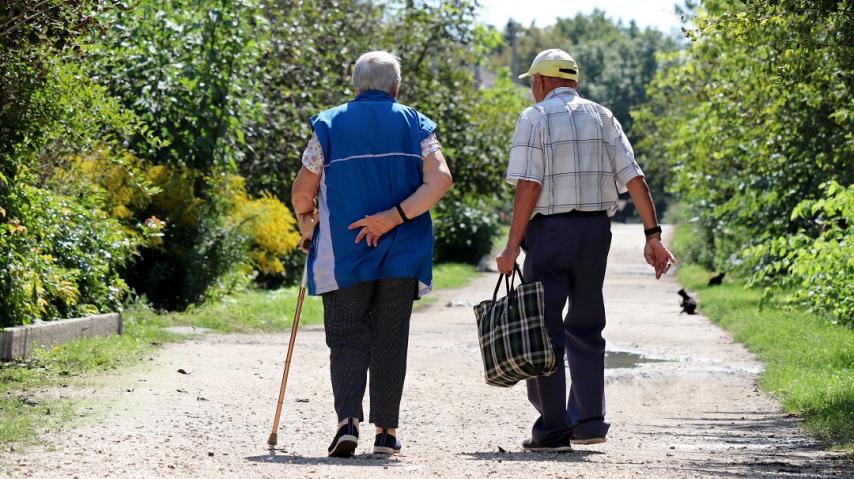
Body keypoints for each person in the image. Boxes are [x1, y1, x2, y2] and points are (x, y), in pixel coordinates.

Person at [495, 48, 676, 452]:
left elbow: (528, 184)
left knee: (545, 329)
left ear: (540, 81)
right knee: (587, 324)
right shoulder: (603, 116)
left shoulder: (535, 117)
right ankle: (590, 421)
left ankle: (553, 430)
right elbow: (634, 178)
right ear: (573, 82)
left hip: (549, 233)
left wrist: (511, 246)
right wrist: (652, 235)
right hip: (595, 232)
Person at [290, 50, 453, 458]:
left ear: (355, 86)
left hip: (344, 252)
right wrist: (393, 217)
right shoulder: (416, 125)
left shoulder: (329, 124)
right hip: (402, 252)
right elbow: (440, 179)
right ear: (395, 87)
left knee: (346, 335)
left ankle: (347, 422)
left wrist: (307, 223)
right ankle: (386, 433)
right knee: (390, 338)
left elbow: (303, 191)